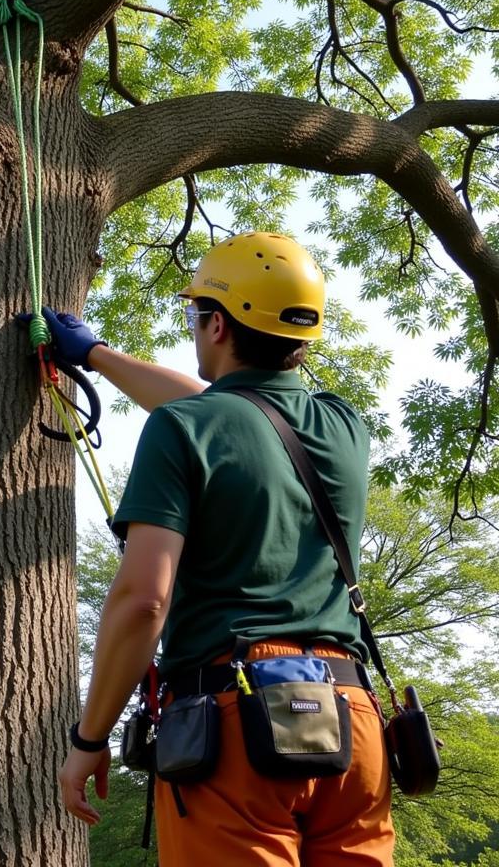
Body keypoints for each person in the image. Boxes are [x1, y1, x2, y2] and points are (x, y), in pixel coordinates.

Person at [47, 232, 394, 866]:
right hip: (352, 724)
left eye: (194, 315)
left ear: (217, 324)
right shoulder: (345, 426)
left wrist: (88, 736)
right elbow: (232, 414)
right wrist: (96, 355)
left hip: (236, 726)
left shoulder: (182, 429)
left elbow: (143, 603)